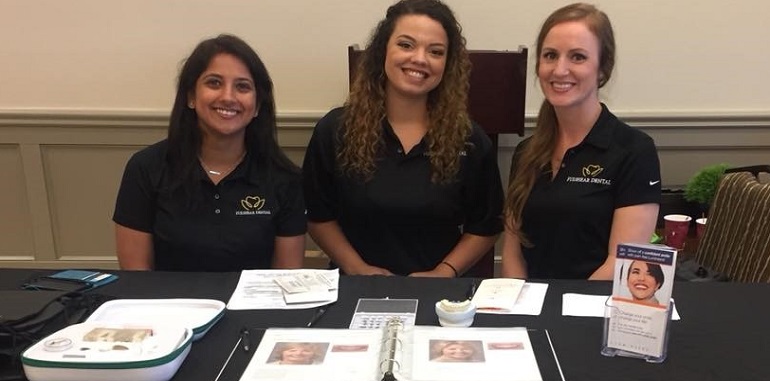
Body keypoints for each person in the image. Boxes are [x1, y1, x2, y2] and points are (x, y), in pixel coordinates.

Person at [302, 0, 504, 277]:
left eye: (435, 51)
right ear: (382, 50)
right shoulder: (335, 130)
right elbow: (318, 216)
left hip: (440, 295)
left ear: (447, 64)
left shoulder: (469, 139)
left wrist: (444, 273)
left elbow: (486, 227)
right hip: (353, 288)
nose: (419, 59)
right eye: (406, 45)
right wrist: (356, 269)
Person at [113, 34, 306, 271]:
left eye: (242, 86)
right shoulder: (145, 168)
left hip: (254, 308)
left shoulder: (285, 178)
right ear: (191, 96)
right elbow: (137, 280)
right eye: (214, 83)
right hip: (166, 307)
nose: (228, 96)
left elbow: (284, 283)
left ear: (257, 106)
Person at [501, 3, 661, 280]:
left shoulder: (634, 150)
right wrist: (519, 313)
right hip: (530, 311)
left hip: (593, 311)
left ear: (602, 69)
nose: (560, 70)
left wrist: (560, 314)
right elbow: (513, 253)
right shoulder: (526, 152)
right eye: (550, 55)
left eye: (577, 57)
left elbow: (622, 263)